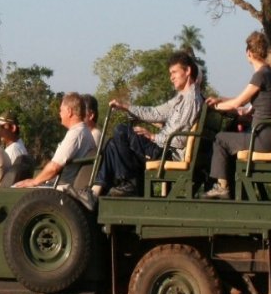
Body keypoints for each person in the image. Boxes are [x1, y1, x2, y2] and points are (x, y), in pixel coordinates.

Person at [84, 51, 203, 201]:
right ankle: (97, 191)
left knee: (121, 130)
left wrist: (153, 137)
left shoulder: (191, 100)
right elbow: (155, 112)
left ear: (187, 71)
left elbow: (179, 141)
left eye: (174, 72)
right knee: (112, 144)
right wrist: (126, 107)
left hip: (168, 151)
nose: (171, 77)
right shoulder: (181, 98)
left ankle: (129, 184)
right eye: (170, 73)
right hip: (163, 146)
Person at [203, 31, 271, 199]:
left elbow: (238, 103)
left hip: (261, 138)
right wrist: (220, 100)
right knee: (229, 140)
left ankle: (222, 187)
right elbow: (242, 100)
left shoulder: (260, 75)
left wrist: (216, 107)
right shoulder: (270, 73)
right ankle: (234, 189)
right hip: (266, 135)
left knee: (221, 138)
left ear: (249, 53)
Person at [13, 92, 96, 188]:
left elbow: (54, 167)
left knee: (15, 188)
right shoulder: (83, 131)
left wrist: (34, 181)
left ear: (69, 111)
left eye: (61, 110)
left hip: (62, 188)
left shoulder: (76, 134)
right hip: (62, 186)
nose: (59, 114)